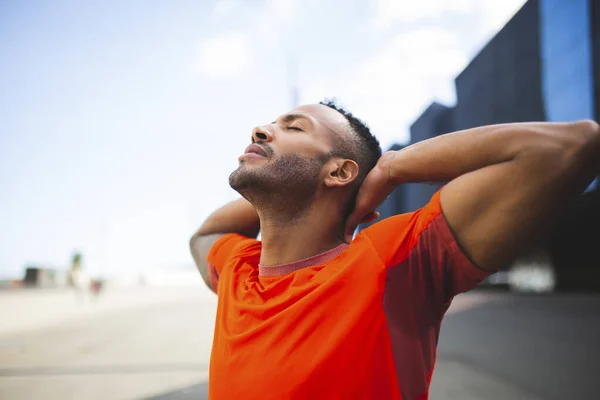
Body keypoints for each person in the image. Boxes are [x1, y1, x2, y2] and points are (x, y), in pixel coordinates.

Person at [190, 100, 600, 400]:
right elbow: (204, 235)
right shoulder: (237, 269)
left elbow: (573, 145)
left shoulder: (391, 262)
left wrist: (391, 167)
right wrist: (274, 187)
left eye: (294, 128)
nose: (261, 130)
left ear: (339, 172)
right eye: (269, 125)